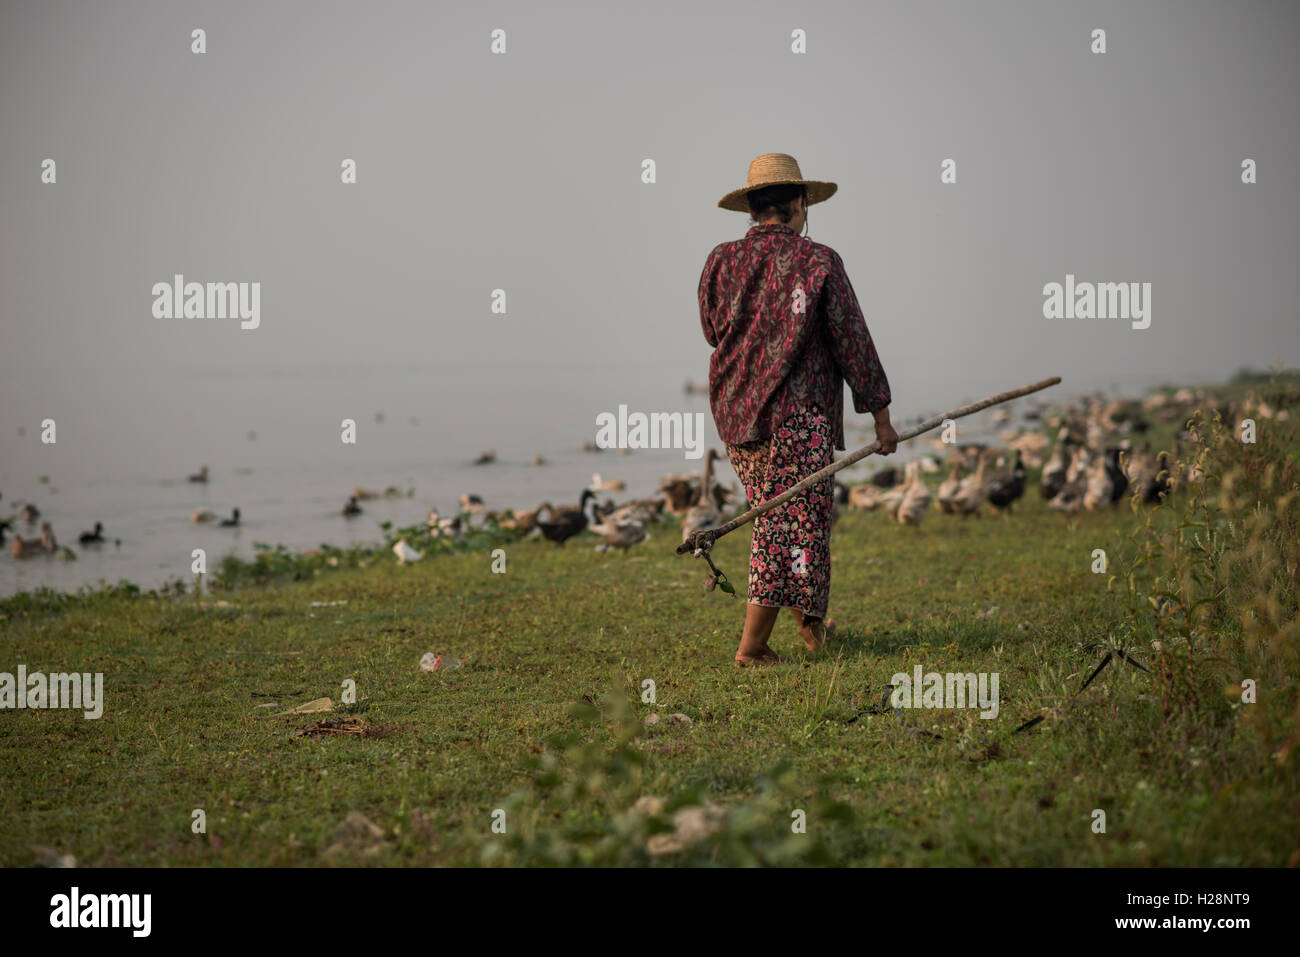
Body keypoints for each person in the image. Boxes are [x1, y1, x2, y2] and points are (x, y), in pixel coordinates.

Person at [697, 153, 897, 664]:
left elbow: (713, 331)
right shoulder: (819, 262)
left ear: (754, 209)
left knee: (787, 517)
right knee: (786, 525)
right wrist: (880, 414)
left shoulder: (720, 259)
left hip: (735, 412)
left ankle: (811, 629)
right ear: (799, 205)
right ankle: (753, 648)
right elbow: (851, 338)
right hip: (796, 413)